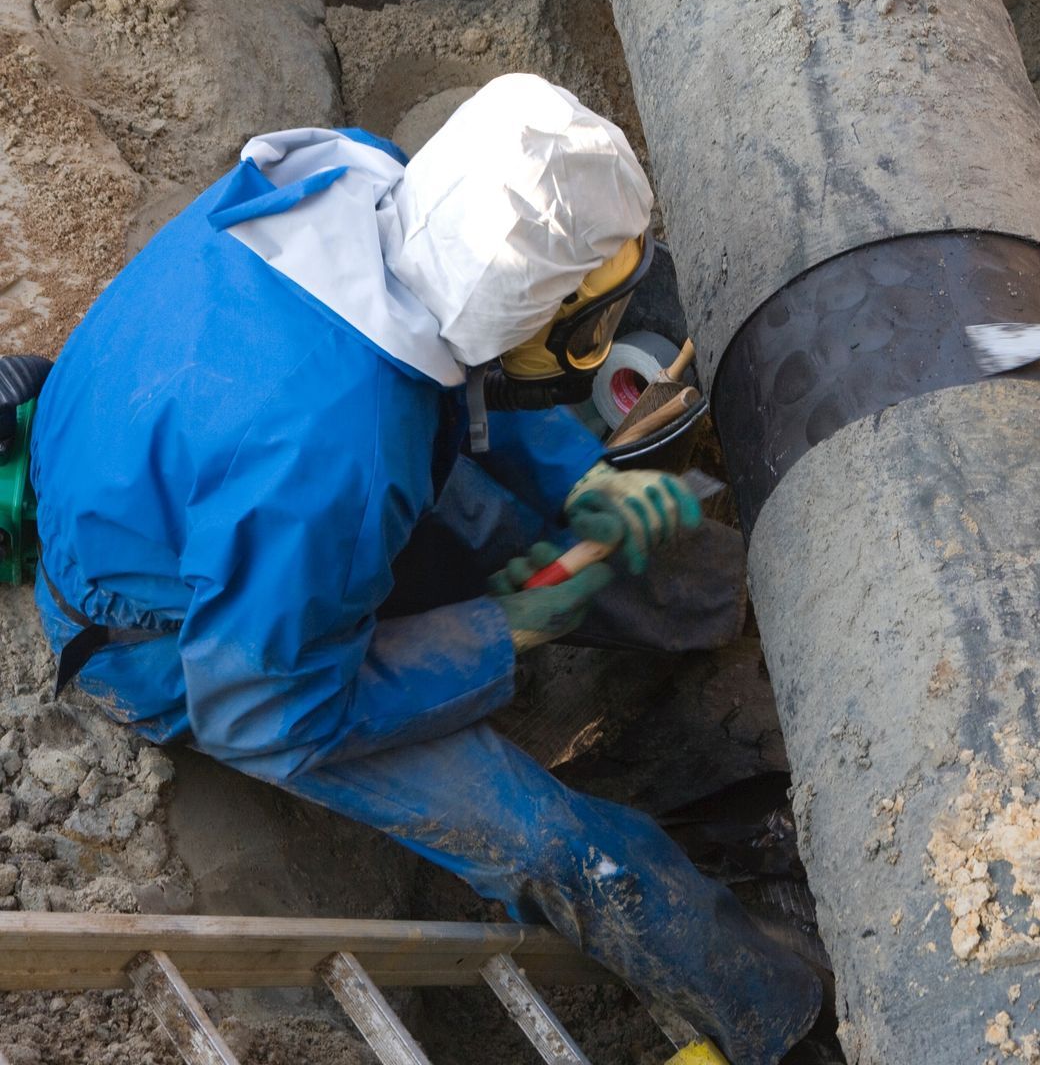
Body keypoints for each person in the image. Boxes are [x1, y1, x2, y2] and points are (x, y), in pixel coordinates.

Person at [29, 74, 819, 1062]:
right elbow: (263, 713)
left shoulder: (366, 188)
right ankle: (778, 1009)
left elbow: (461, 367)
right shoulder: (341, 460)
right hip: (184, 647)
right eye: (595, 323)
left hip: (220, 497)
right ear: (535, 311)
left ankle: (733, 625)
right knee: (557, 844)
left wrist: (582, 483)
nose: (611, 345)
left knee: (578, 521)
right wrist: (505, 629)